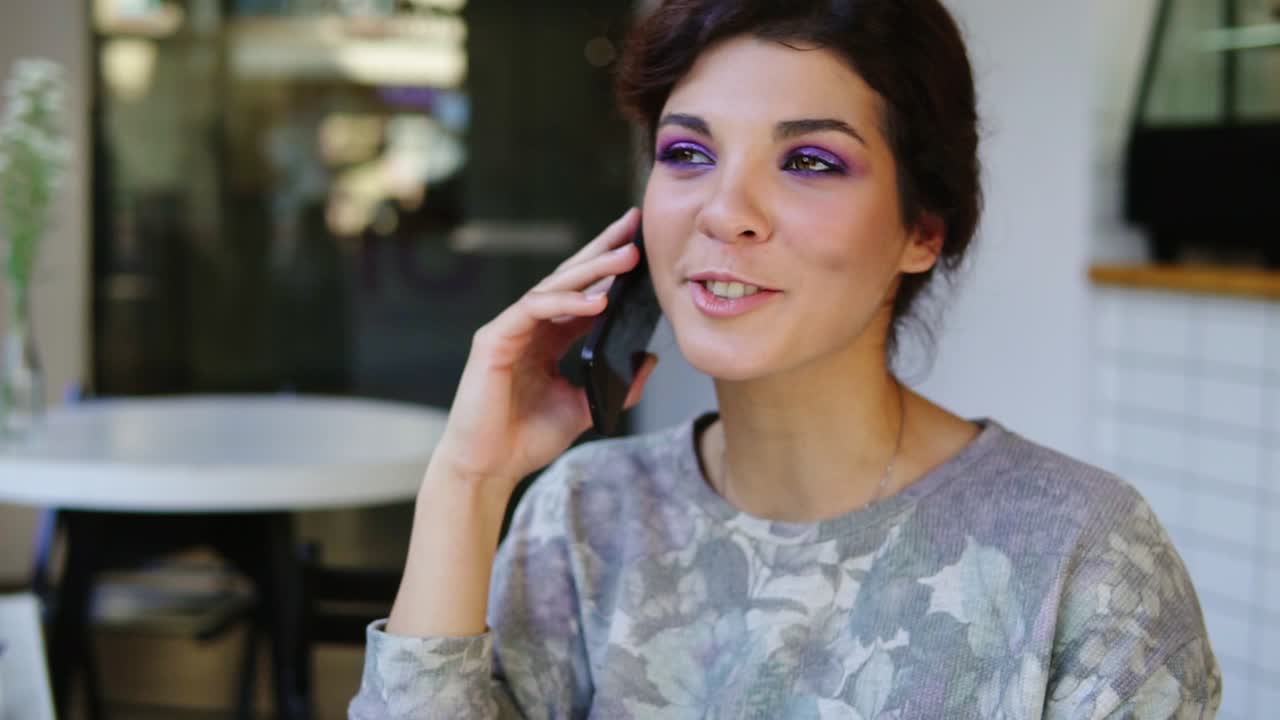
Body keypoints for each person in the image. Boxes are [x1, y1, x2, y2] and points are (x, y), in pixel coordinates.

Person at [350, 1, 1222, 717]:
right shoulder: (581, 521)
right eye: (687, 153)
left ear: (922, 229)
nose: (726, 210)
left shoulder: (1085, 558)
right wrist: (467, 480)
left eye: (809, 160)